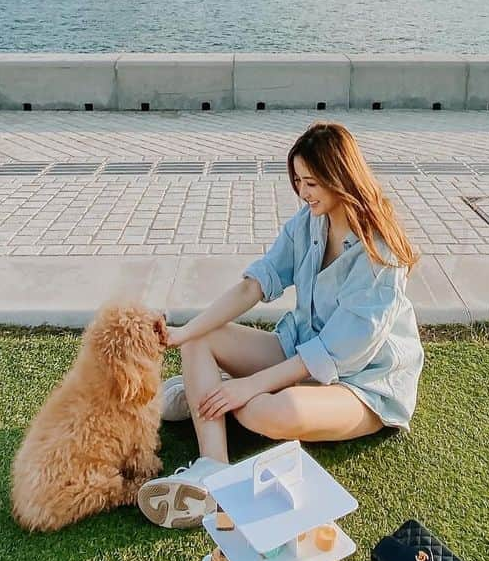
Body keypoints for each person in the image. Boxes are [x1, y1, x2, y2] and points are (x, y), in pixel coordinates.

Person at [137, 120, 424, 529]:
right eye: (299, 181)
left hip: (363, 385)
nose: (303, 193)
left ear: (340, 178)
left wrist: (249, 384)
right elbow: (255, 285)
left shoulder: (381, 254)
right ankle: (212, 468)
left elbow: (334, 353)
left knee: (260, 411)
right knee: (201, 339)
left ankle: (206, 390)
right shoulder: (309, 222)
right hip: (301, 348)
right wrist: (183, 333)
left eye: (311, 183)